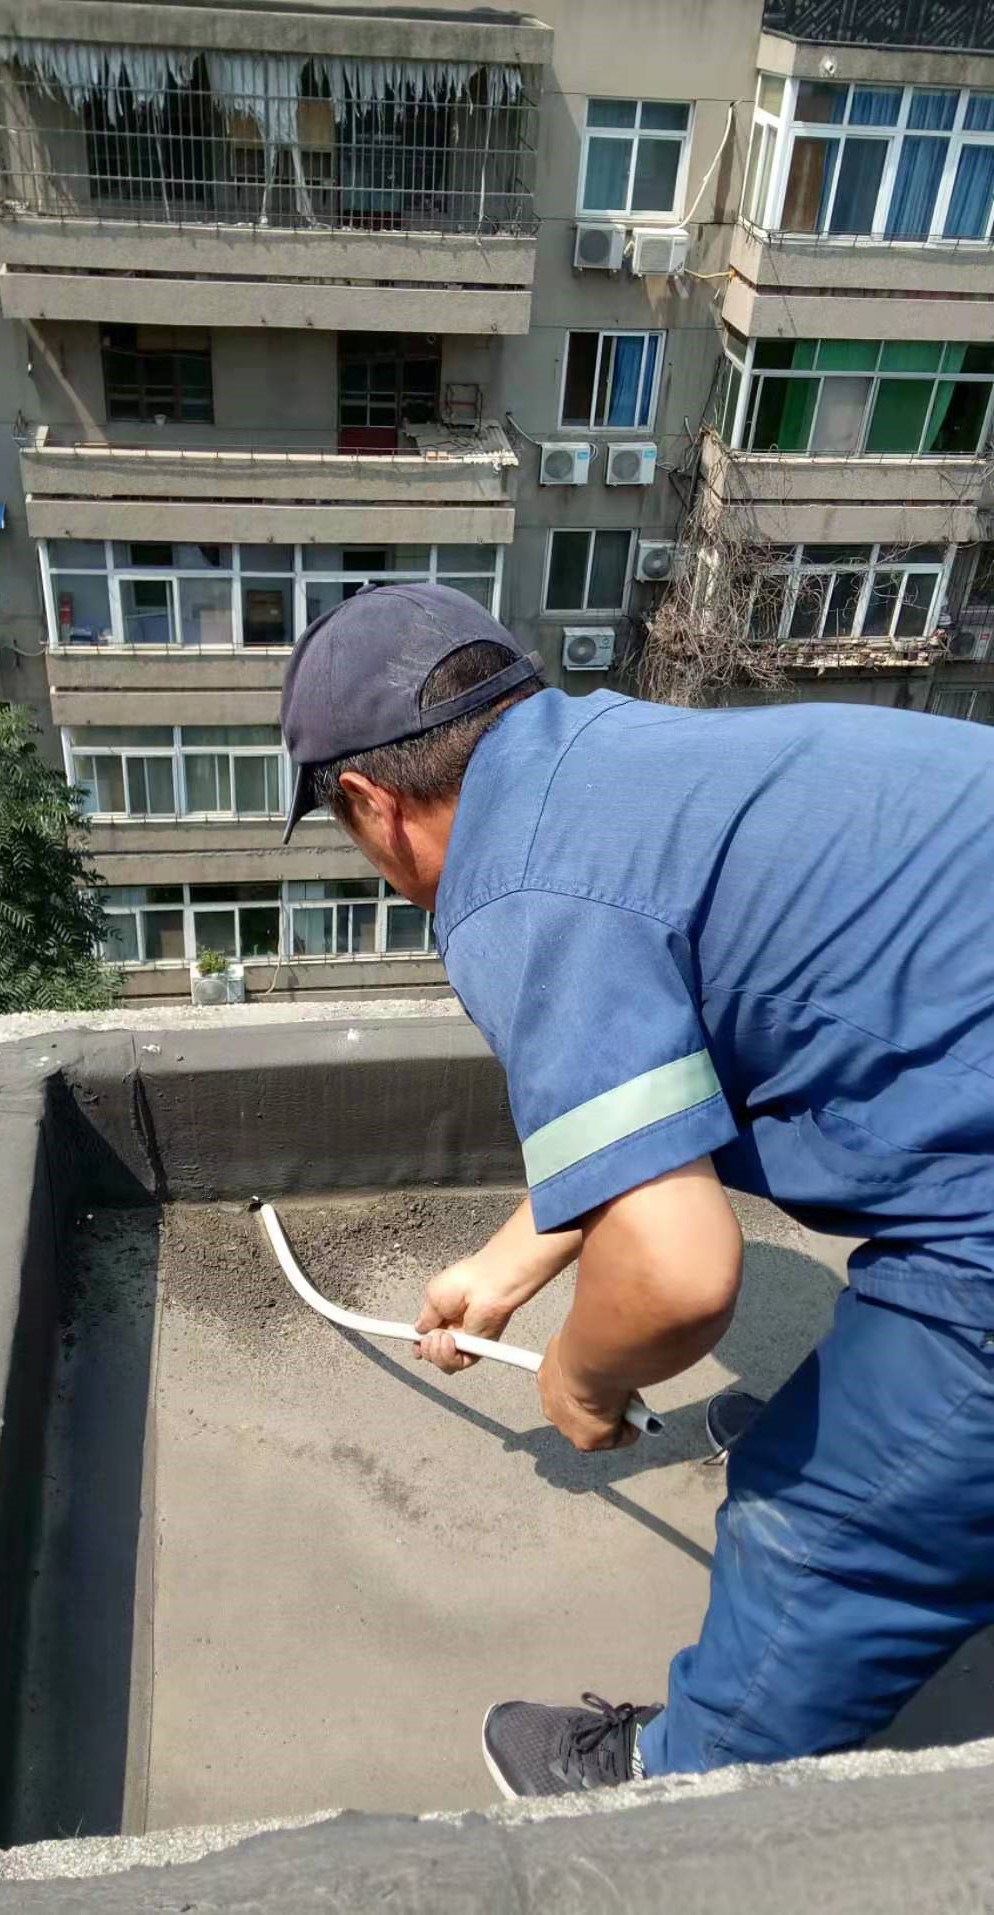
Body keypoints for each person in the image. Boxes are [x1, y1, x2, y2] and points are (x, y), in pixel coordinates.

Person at [280, 582, 994, 1797]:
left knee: (827, 1523)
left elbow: (677, 1273)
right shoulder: (612, 759)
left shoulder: (512, 891)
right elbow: (664, 1081)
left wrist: (582, 1374)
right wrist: (506, 1266)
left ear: (371, 802)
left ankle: (677, 1782)